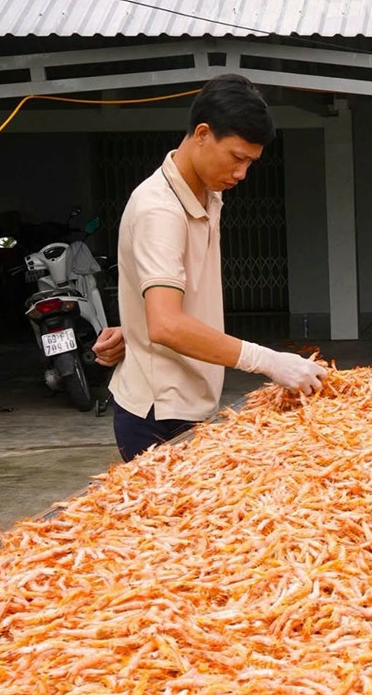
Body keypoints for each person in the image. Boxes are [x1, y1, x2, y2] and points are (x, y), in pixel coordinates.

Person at [102, 74, 326, 463]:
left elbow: (162, 309)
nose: (241, 174)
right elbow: (166, 324)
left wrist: (134, 326)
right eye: (237, 158)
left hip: (191, 403)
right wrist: (270, 361)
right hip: (161, 415)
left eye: (250, 163)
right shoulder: (161, 209)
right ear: (202, 134)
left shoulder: (207, 193)